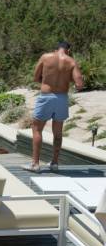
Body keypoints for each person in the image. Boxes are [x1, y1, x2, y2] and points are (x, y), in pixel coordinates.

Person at [24, 42, 83, 173]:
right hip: (62, 98)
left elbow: (35, 77)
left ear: (55, 49)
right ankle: (55, 163)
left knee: (37, 129)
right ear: (68, 49)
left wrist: (46, 81)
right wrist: (66, 80)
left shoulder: (45, 57)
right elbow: (79, 84)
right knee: (58, 132)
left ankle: (35, 164)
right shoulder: (71, 62)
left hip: (46, 96)